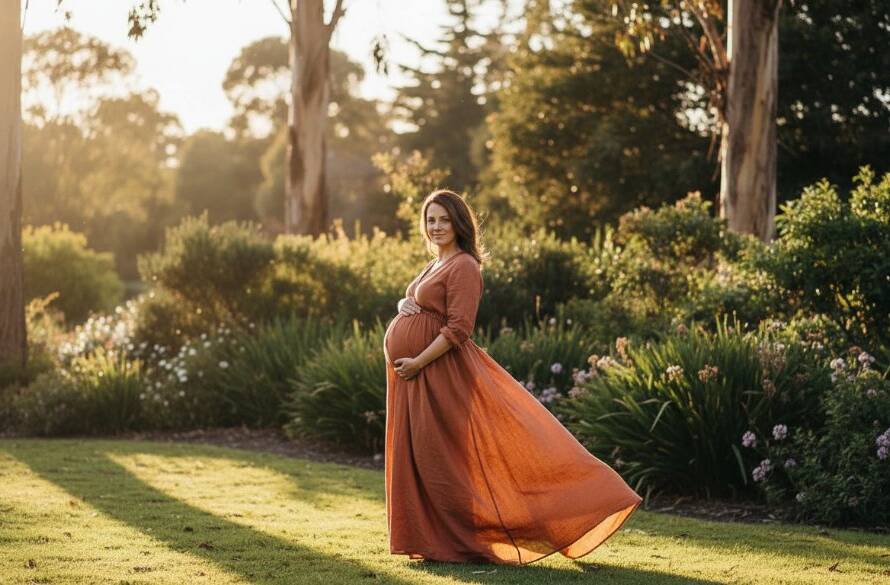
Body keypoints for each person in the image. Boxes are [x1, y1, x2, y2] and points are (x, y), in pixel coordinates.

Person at [382, 189, 641, 565]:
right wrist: (403, 304)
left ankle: (465, 540)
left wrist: (419, 361)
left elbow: (459, 329)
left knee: (441, 458)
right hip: (414, 377)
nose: (436, 226)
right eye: (430, 220)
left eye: (443, 219)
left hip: (440, 374)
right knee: (420, 455)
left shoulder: (465, 266)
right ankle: (431, 539)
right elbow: (422, 305)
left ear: (459, 223)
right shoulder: (436, 263)